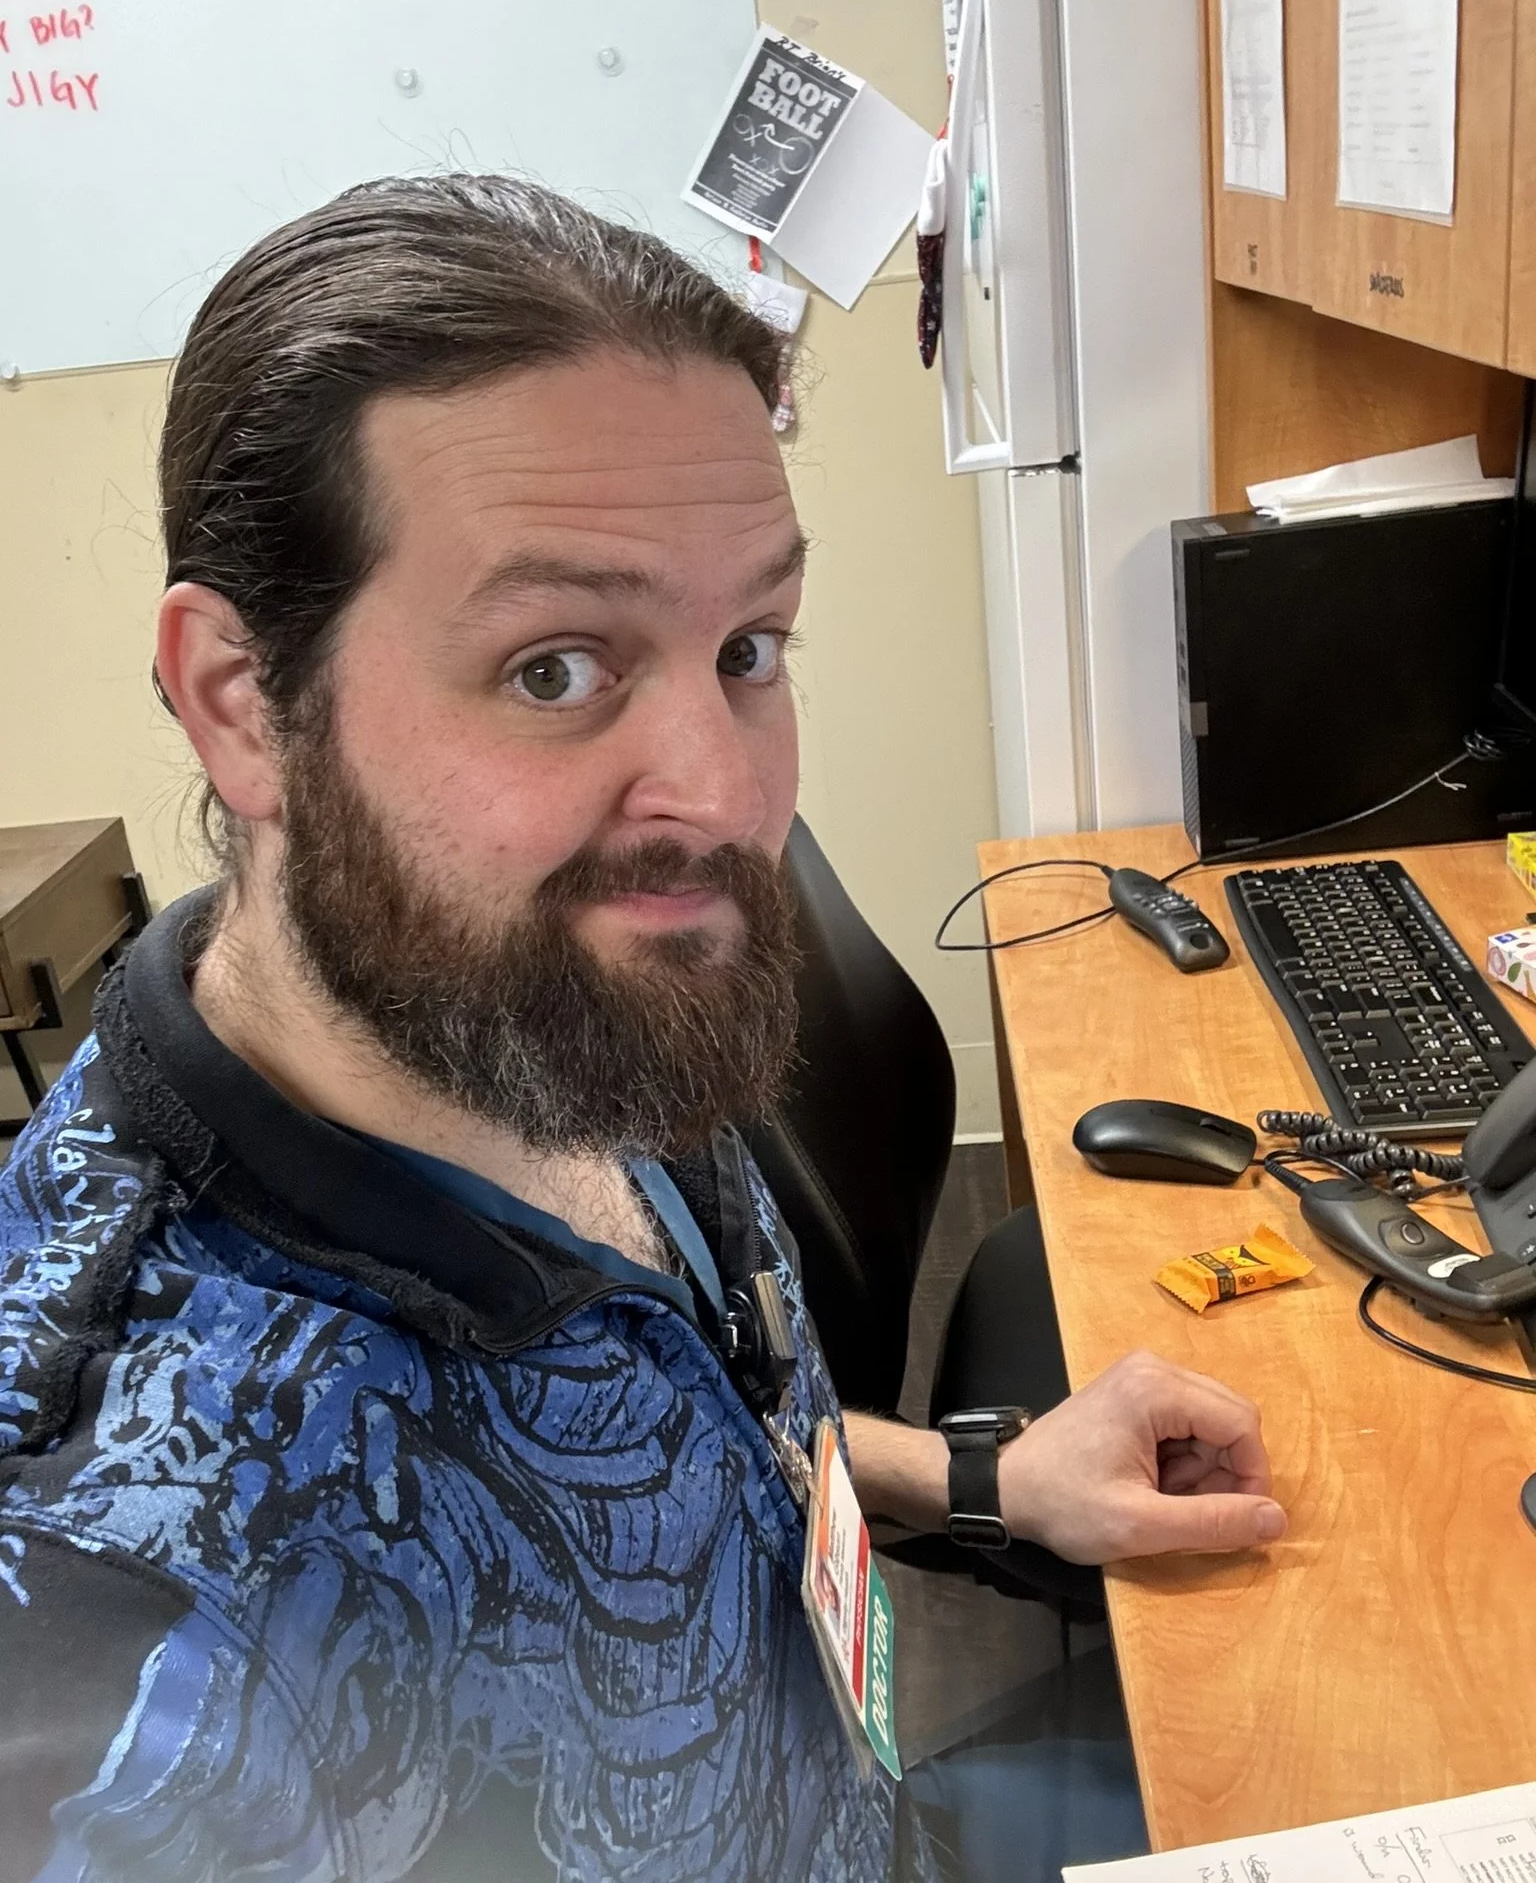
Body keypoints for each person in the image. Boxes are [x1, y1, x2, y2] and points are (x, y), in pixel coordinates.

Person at [0, 175, 1285, 1882]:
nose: (729, 795)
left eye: (750, 643)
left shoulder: (519, 1007)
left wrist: (988, 1484)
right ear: (244, 702)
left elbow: (693, 1405)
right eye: (557, 668)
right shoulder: (124, 1631)